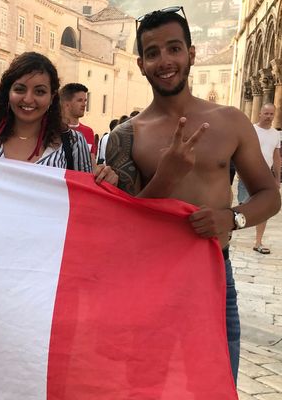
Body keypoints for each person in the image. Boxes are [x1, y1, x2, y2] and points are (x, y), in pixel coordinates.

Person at [105, 7, 280, 384]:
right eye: (153, 53)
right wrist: (166, 177)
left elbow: (269, 194)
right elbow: (127, 225)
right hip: (152, 280)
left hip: (214, 275)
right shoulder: (127, 136)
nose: (164, 61)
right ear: (140, 63)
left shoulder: (230, 120)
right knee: (148, 386)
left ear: (192, 53)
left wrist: (232, 217)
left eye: (173, 48)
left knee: (214, 384)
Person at [0, 52, 116, 185]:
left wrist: (105, 181)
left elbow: (84, 199)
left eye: (40, 91)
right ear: (8, 93)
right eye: (20, 89)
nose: (28, 99)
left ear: (52, 97)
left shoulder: (73, 143)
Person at [237, 103, 280, 254]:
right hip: (247, 173)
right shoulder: (251, 130)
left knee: (264, 208)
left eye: (271, 114)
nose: (269, 117)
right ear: (260, 114)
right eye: (266, 113)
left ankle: (258, 242)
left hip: (266, 175)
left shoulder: (276, 134)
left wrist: (277, 179)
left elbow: (276, 157)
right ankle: (227, 231)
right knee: (243, 205)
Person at [60, 83, 97, 167]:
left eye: (85, 101)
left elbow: (92, 165)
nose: (84, 104)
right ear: (66, 104)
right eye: (79, 100)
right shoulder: (54, 130)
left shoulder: (89, 132)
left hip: (81, 179)